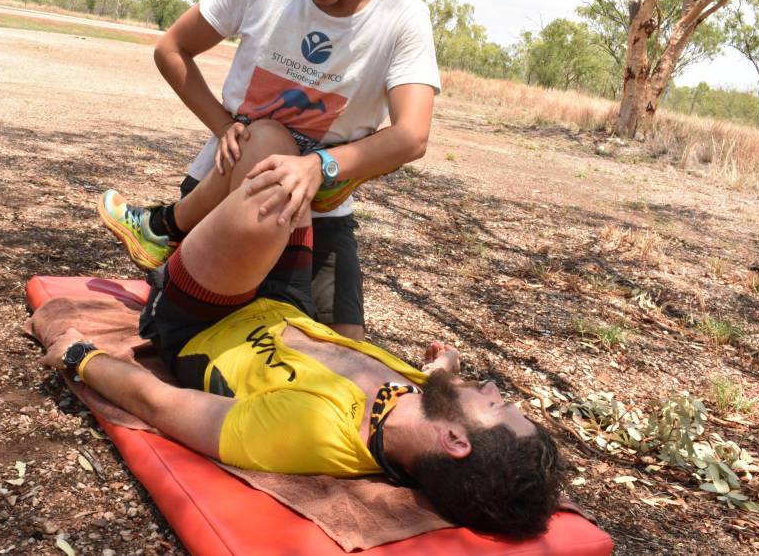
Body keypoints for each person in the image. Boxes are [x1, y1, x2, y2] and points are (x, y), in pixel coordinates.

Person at [49, 121, 564, 539]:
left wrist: (81, 357)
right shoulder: (424, 407)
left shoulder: (312, 433)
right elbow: (436, 391)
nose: (497, 390)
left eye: (497, 407)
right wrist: (443, 371)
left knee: (274, 191)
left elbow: (162, 406)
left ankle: (164, 234)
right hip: (287, 306)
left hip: (205, 317)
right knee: (276, 145)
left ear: (453, 440)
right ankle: (199, 223)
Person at [101, 0, 440, 342]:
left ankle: (165, 228)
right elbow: (172, 49)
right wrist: (223, 126)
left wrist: (319, 166)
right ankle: (176, 233)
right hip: (227, 187)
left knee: (349, 346)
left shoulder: (402, 17)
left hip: (321, 207)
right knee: (247, 328)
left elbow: (412, 135)